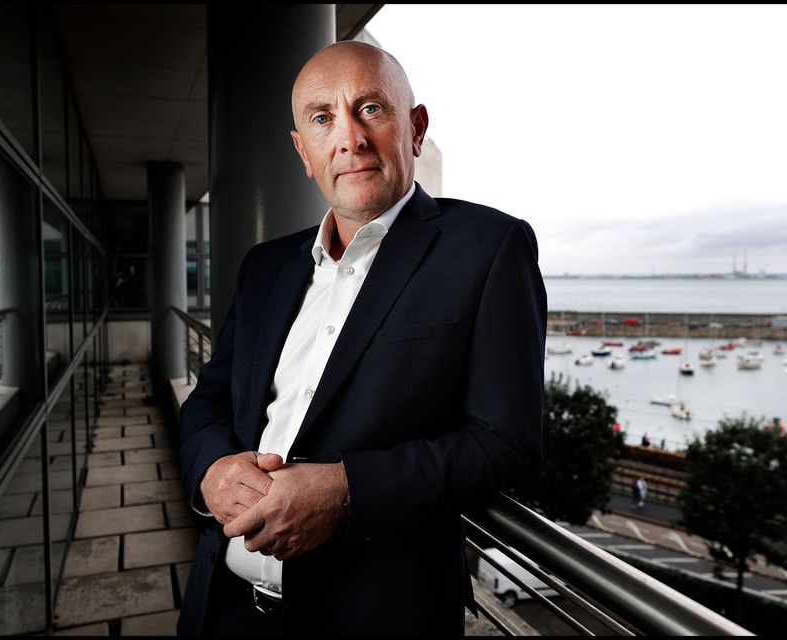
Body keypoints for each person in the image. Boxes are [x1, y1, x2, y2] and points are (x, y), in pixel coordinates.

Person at [177, 41, 547, 636]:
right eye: (323, 118)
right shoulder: (265, 266)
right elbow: (207, 403)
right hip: (223, 607)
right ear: (303, 151)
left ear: (416, 127)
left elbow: (506, 442)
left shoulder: (488, 247)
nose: (349, 138)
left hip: (374, 616)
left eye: (371, 109)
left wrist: (347, 490)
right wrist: (213, 472)